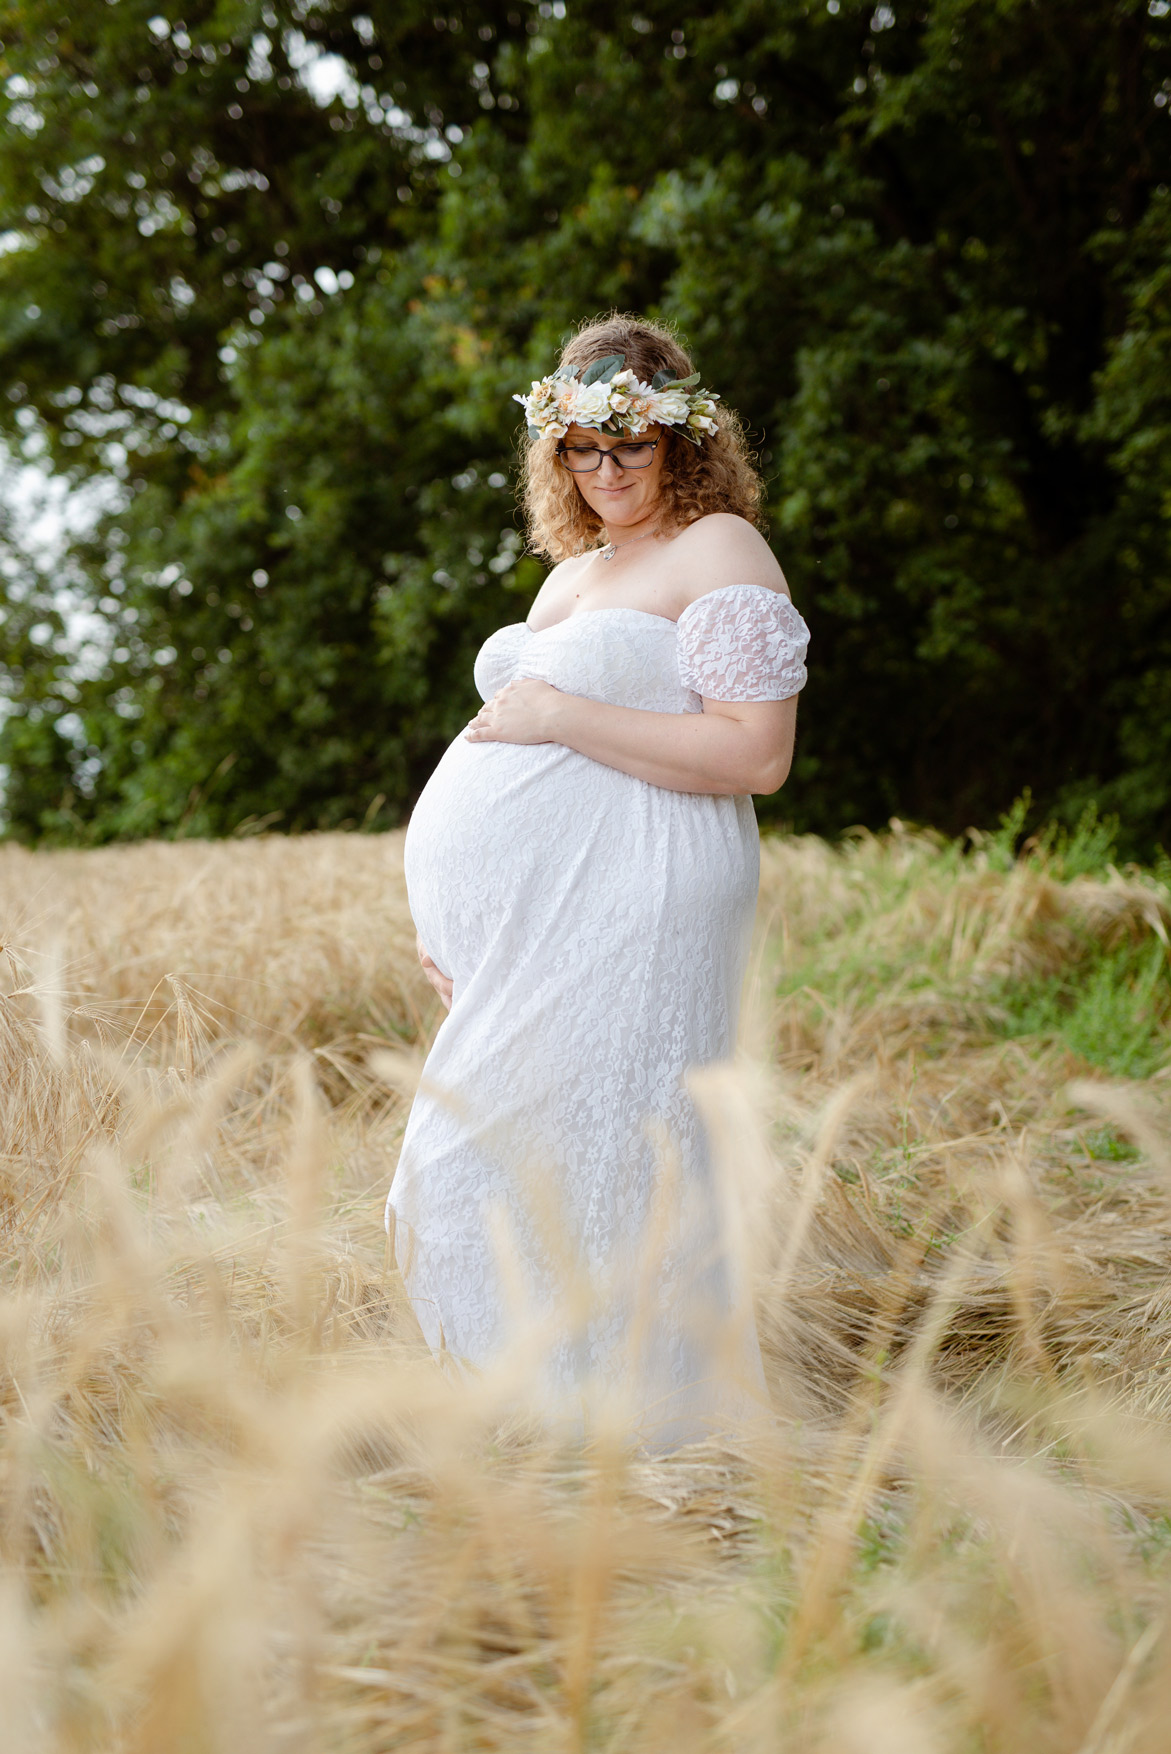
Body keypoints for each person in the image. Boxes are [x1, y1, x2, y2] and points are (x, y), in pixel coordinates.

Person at [386, 314, 810, 1449]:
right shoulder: (575, 574)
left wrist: (563, 710)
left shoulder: (718, 550)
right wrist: (463, 920)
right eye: (581, 447)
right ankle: (528, 1428)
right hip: (539, 924)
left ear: (682, 442)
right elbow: (508, 741)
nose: (606, 470)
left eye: (629, 444)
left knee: (613, 1147)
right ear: (554, 454)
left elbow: (756, 753)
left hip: (650, 891)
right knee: (488, 1154)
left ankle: (644, 1440)